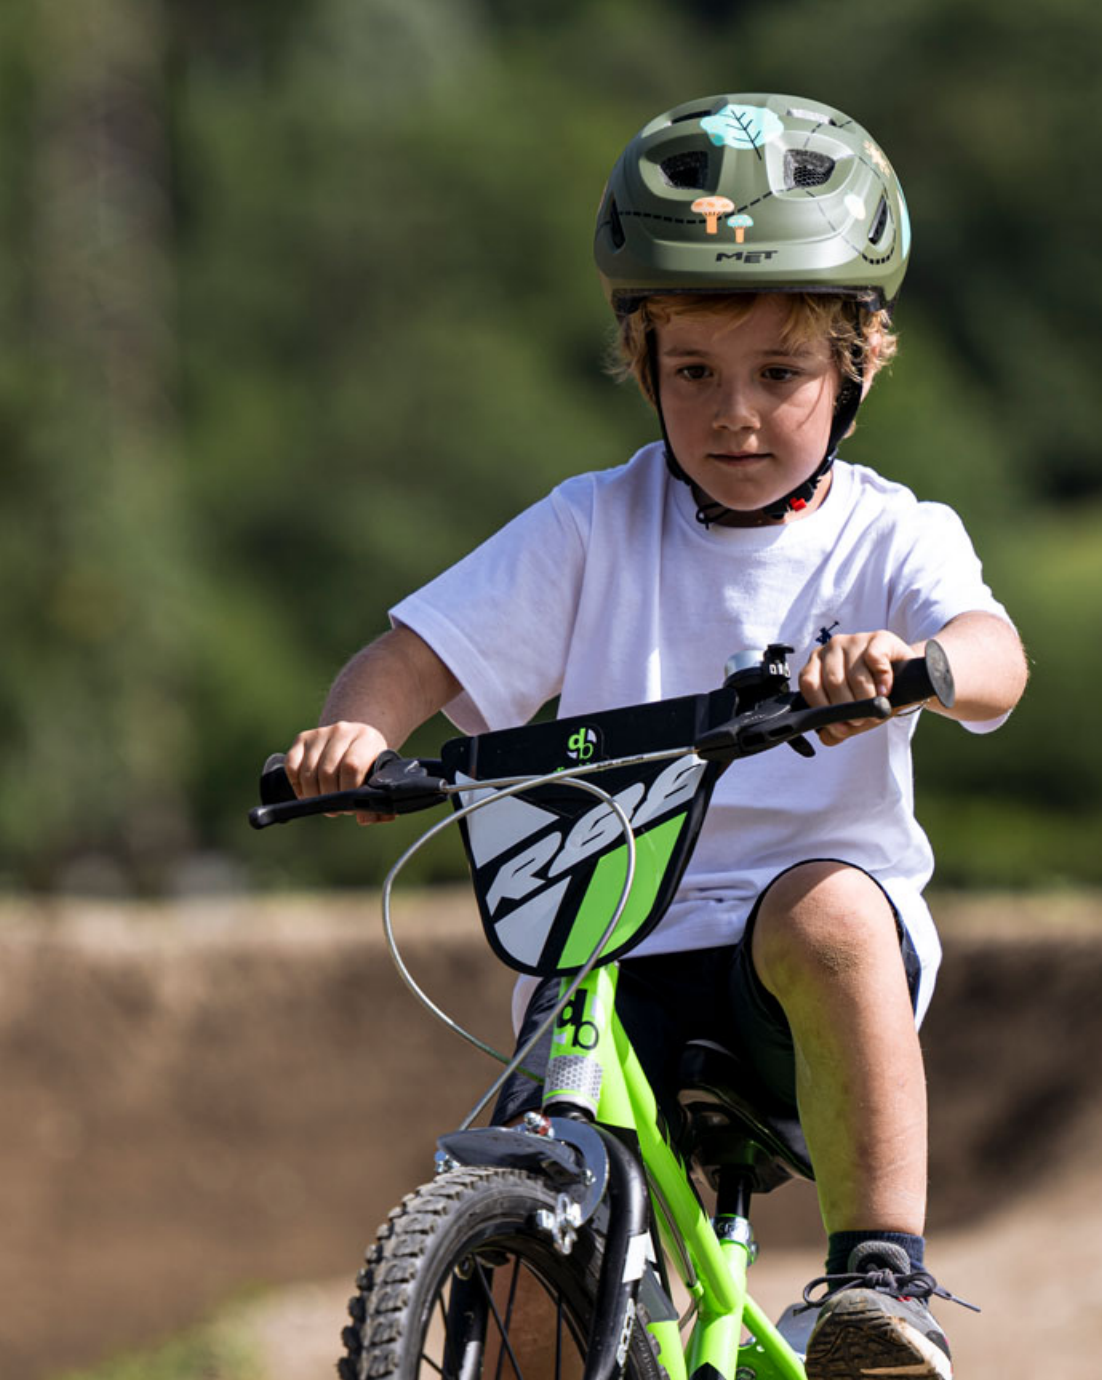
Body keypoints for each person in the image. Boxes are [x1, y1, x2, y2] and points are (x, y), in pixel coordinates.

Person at [283, 93, 1025, 1380]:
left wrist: (914, 669)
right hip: (609, 963)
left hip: (797, 985)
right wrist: (352, 732)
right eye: (693, 373)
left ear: (856, 363)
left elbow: (997, 660)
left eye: (779, 374)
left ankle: (873, 1286)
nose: (734, 413)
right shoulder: (587, 527)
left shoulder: (890, 532)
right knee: (524, 1285)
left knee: (828, 913)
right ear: (643, 365)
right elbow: (410, 657)